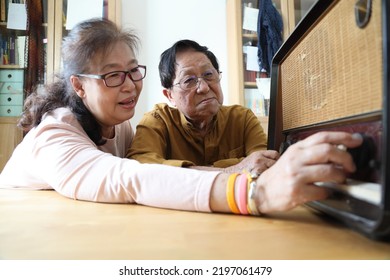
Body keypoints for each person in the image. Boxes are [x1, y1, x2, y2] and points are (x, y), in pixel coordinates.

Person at [0, 18, 363, 216]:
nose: (128, 86)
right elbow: (132, 177)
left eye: (132, 71)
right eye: (112, 75)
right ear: (79, 86)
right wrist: (254, 192)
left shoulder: (119, 125)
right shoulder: (55, 134)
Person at [127, 39, 279, 174]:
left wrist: (182, 172)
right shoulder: (158, 120)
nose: (204, 87)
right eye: (189, 80)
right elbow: (140, 168)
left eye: (208, 74)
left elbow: (264, 165)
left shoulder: (242, 118)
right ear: (170, 96)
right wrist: (234, 168)